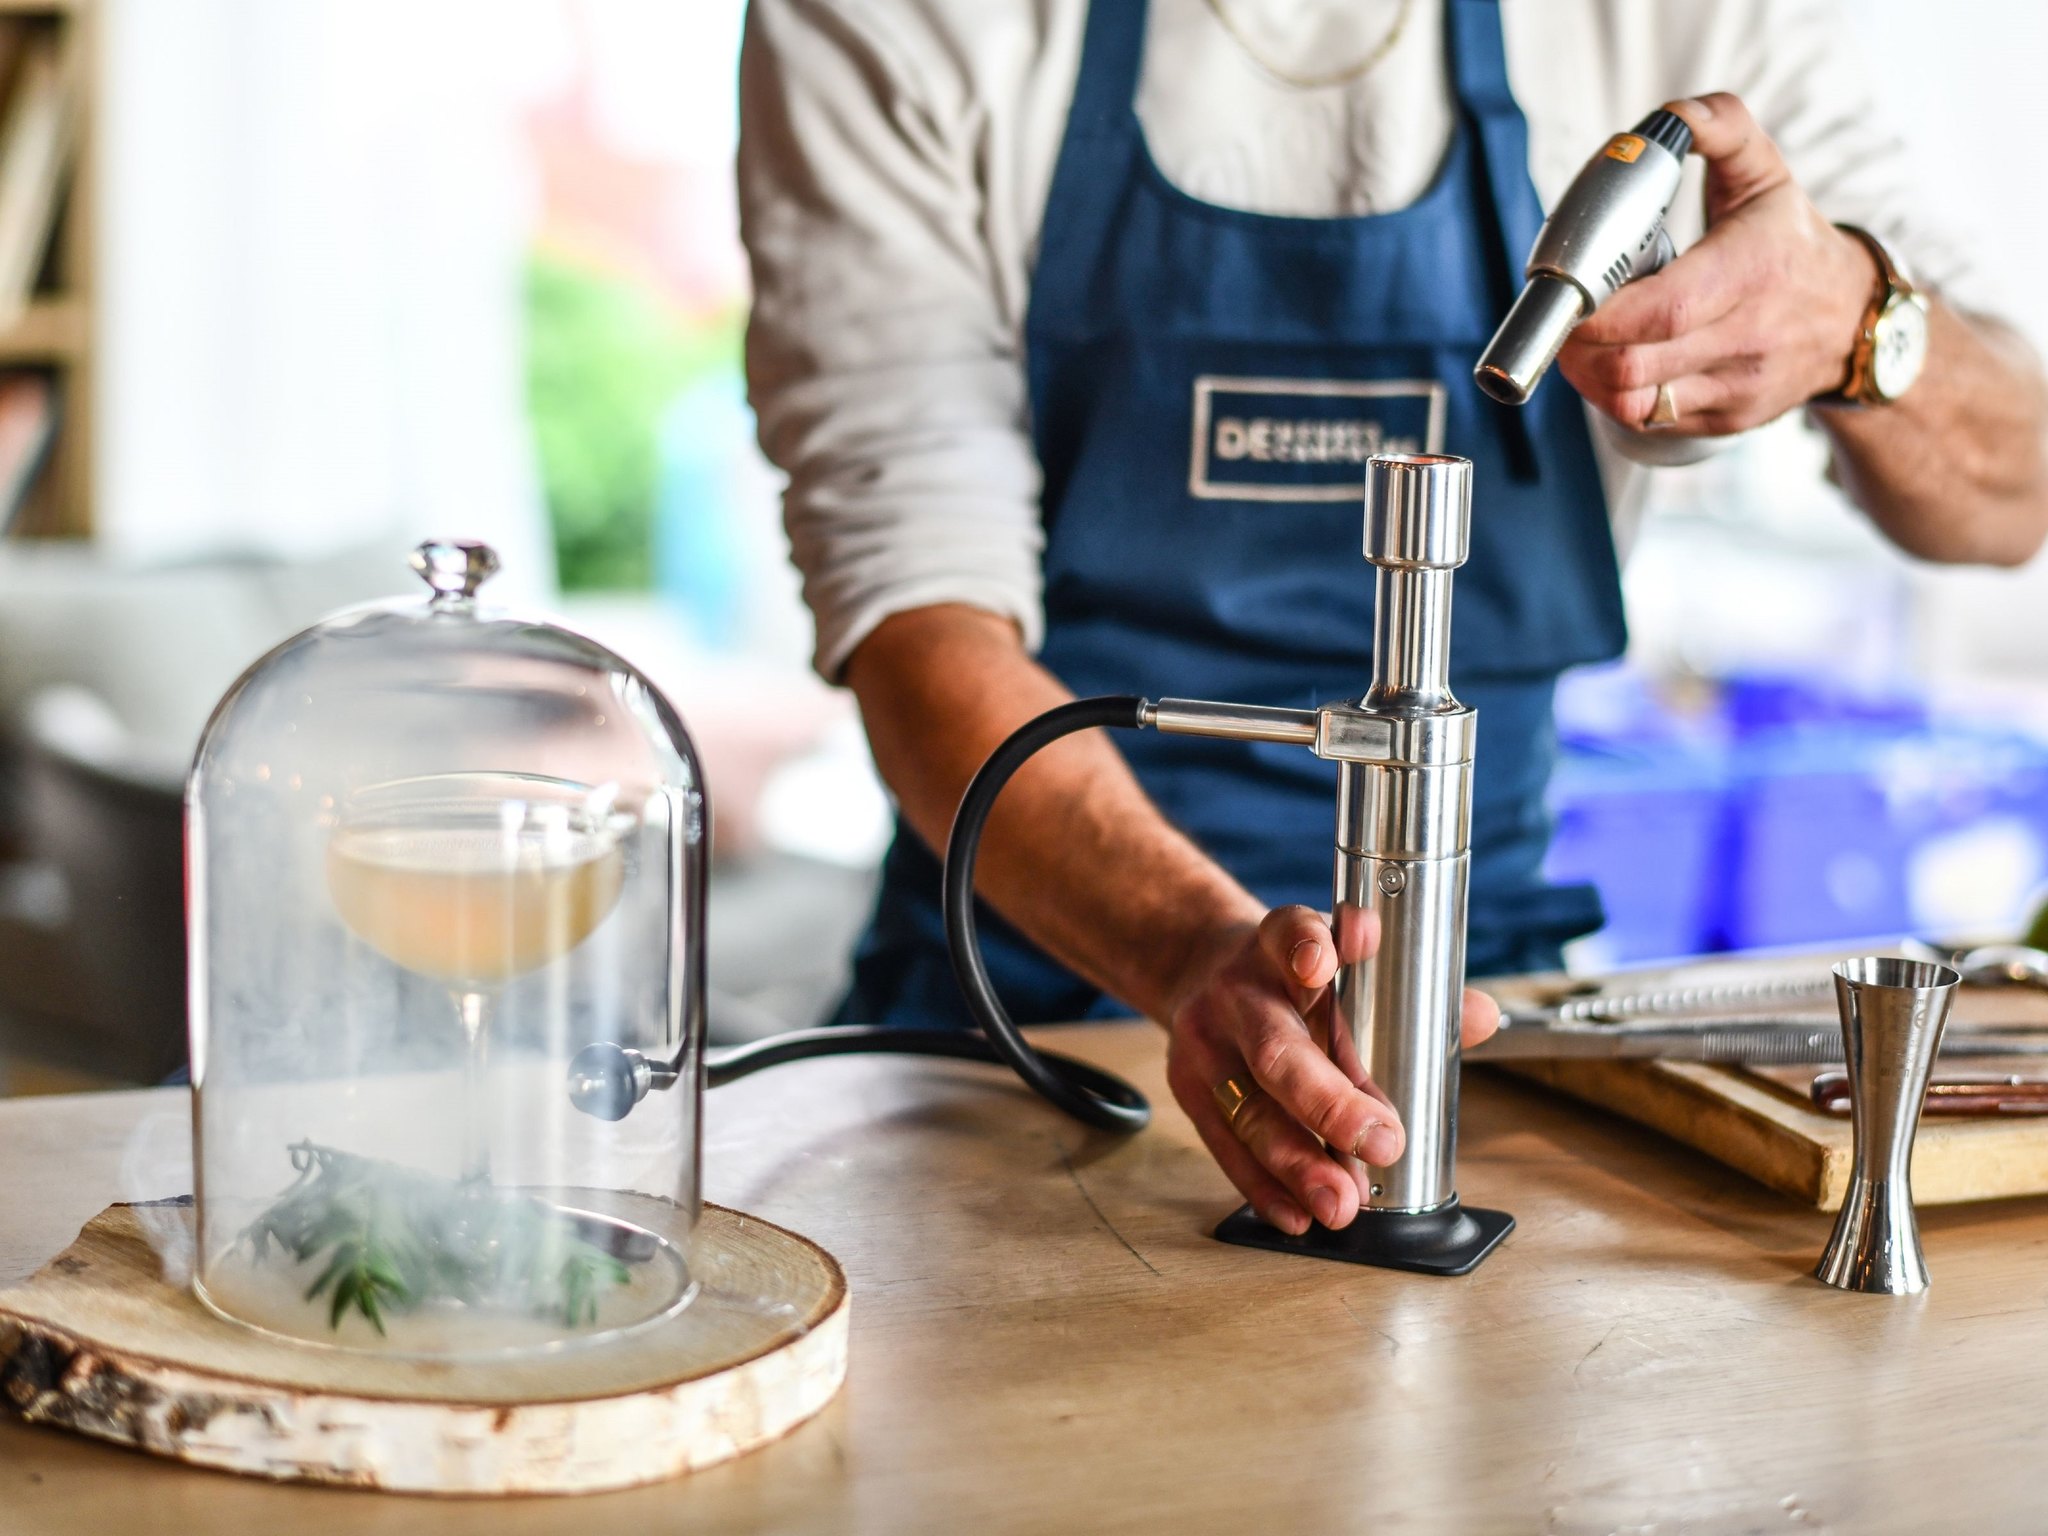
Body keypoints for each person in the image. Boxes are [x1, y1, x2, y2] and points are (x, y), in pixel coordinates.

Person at [738, 0, 2048, 1238]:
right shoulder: (900, 22)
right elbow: (919, 626)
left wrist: (1862, 323)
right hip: (1016, 1017)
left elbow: (2015, 491)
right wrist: (1194, 952)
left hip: (1497, 1019)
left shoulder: (1687, 23)